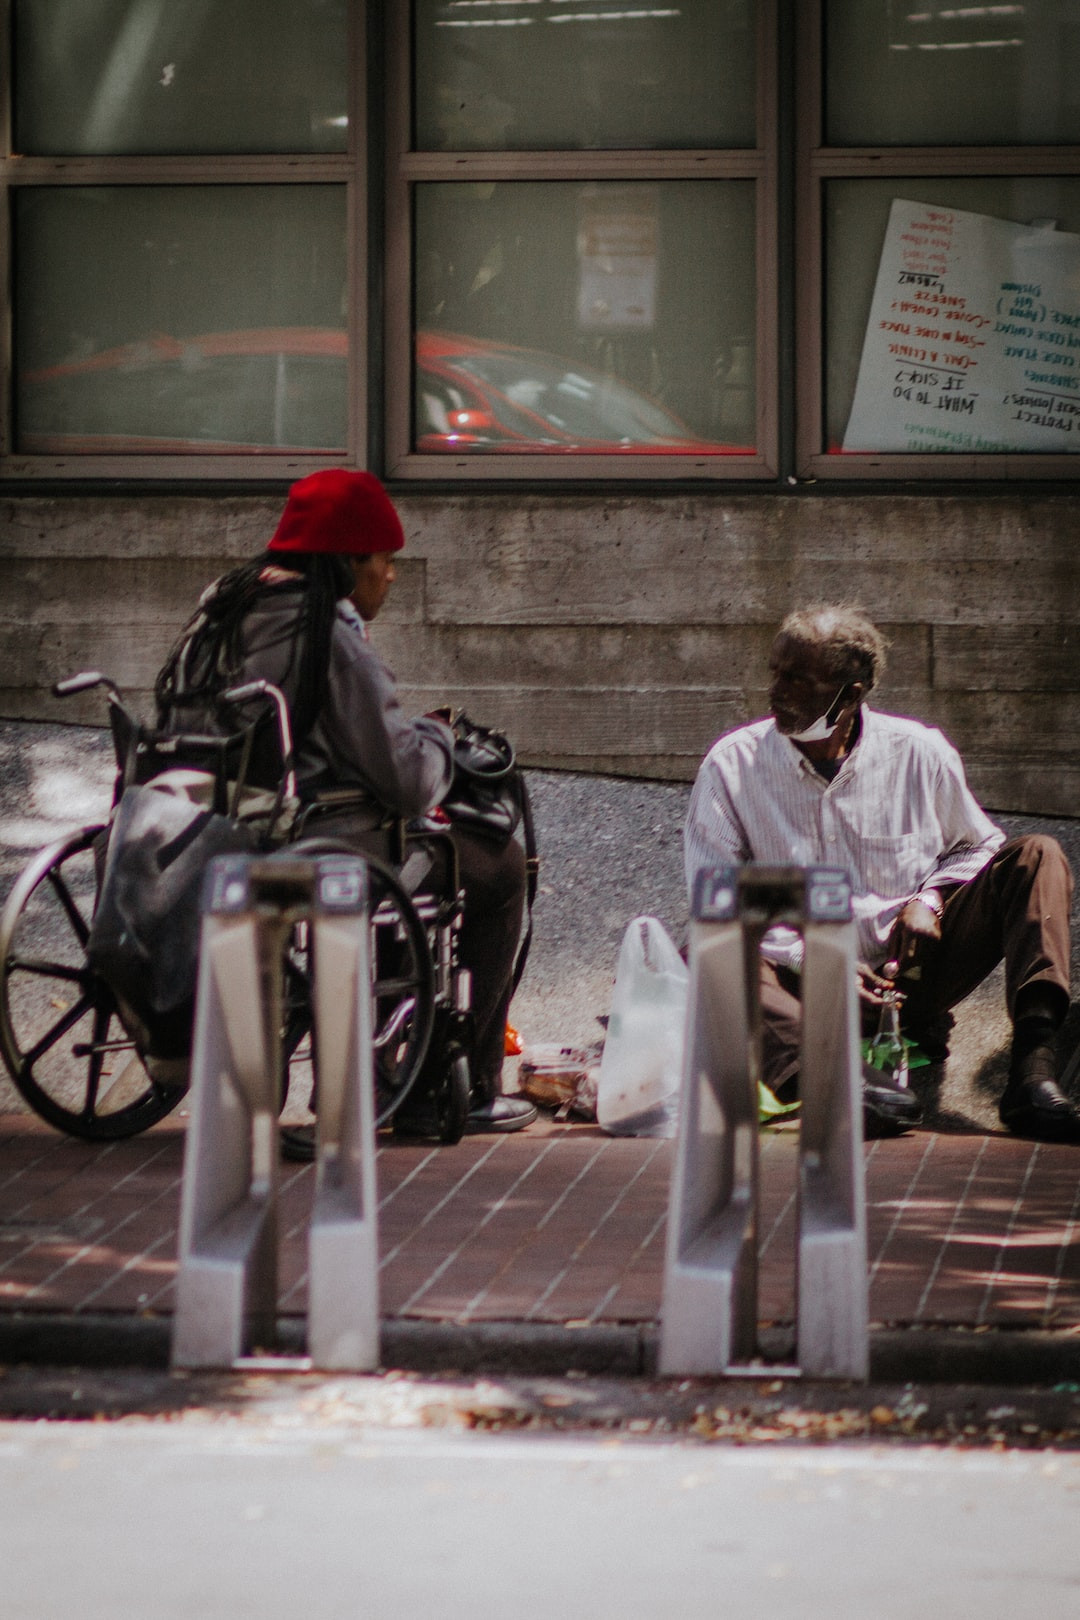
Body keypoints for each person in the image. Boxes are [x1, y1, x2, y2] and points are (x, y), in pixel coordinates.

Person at [154, 467, 537, 1151]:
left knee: (403, 856)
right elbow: (406, 779)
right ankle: (464, 1084)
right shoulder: (329, 637)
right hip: (306, 842)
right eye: (384, 560)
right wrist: (439, 738)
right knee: (495, 865)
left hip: (201, 825)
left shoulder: (225, 606)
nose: (390, 576)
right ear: (345, 560)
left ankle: (395, 1061)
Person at [684, 603, 1078, 1142]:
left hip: (907, 972)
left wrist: (932, 898)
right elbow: (717, 898)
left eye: (798, 678)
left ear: (852, 693)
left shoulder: (919, 752)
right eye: (775, 672)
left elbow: (980, 845)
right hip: (797, 987)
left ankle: (1033, 1075)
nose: (777, 690)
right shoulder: (731, 766)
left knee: (1036, 857)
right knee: (710, 952)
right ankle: (842, 1083)